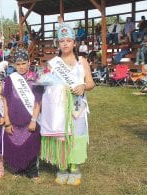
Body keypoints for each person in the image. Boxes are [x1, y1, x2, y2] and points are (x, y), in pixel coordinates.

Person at [39, 19, 95, 186]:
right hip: (59, 107)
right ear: (58, 43)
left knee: (76, 136)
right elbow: (45, 84)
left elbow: (91, 83)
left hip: (78, 107)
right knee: (61, 136)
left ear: (74, 43)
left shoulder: (82, 61)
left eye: (68, 40)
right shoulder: (53, 64)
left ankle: (74, 168)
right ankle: (62, 167)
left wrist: (83, 86)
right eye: (62, 41)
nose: (65, 44)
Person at [3, 49, 43, 180]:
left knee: (30, 144)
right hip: (14, 120)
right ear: (14, 65)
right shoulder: (10, 79)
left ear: (29, 63)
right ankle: (18, 168)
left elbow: (38, 100)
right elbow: (5, 101)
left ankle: (32, 172)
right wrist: (7, 122)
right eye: (18, 64)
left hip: (29, 120)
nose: (21, 67)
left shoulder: (35, 79)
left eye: (24, 63)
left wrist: (33, 120)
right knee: (15, 144)